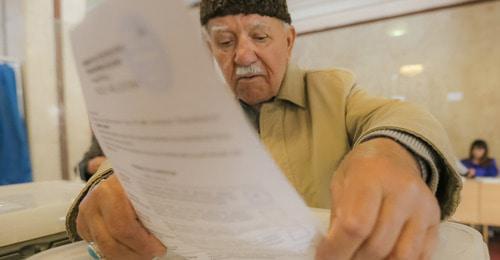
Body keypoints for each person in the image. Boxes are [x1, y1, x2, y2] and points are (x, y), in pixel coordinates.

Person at [66, 1, 462, 259]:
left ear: (289, 41)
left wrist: (388, 152)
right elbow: (136, 154)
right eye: (224, 41)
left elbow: (401, 116)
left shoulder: (333, 91)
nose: (242, 55)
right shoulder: (197, 115)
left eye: (259, 36)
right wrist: (112, 183)